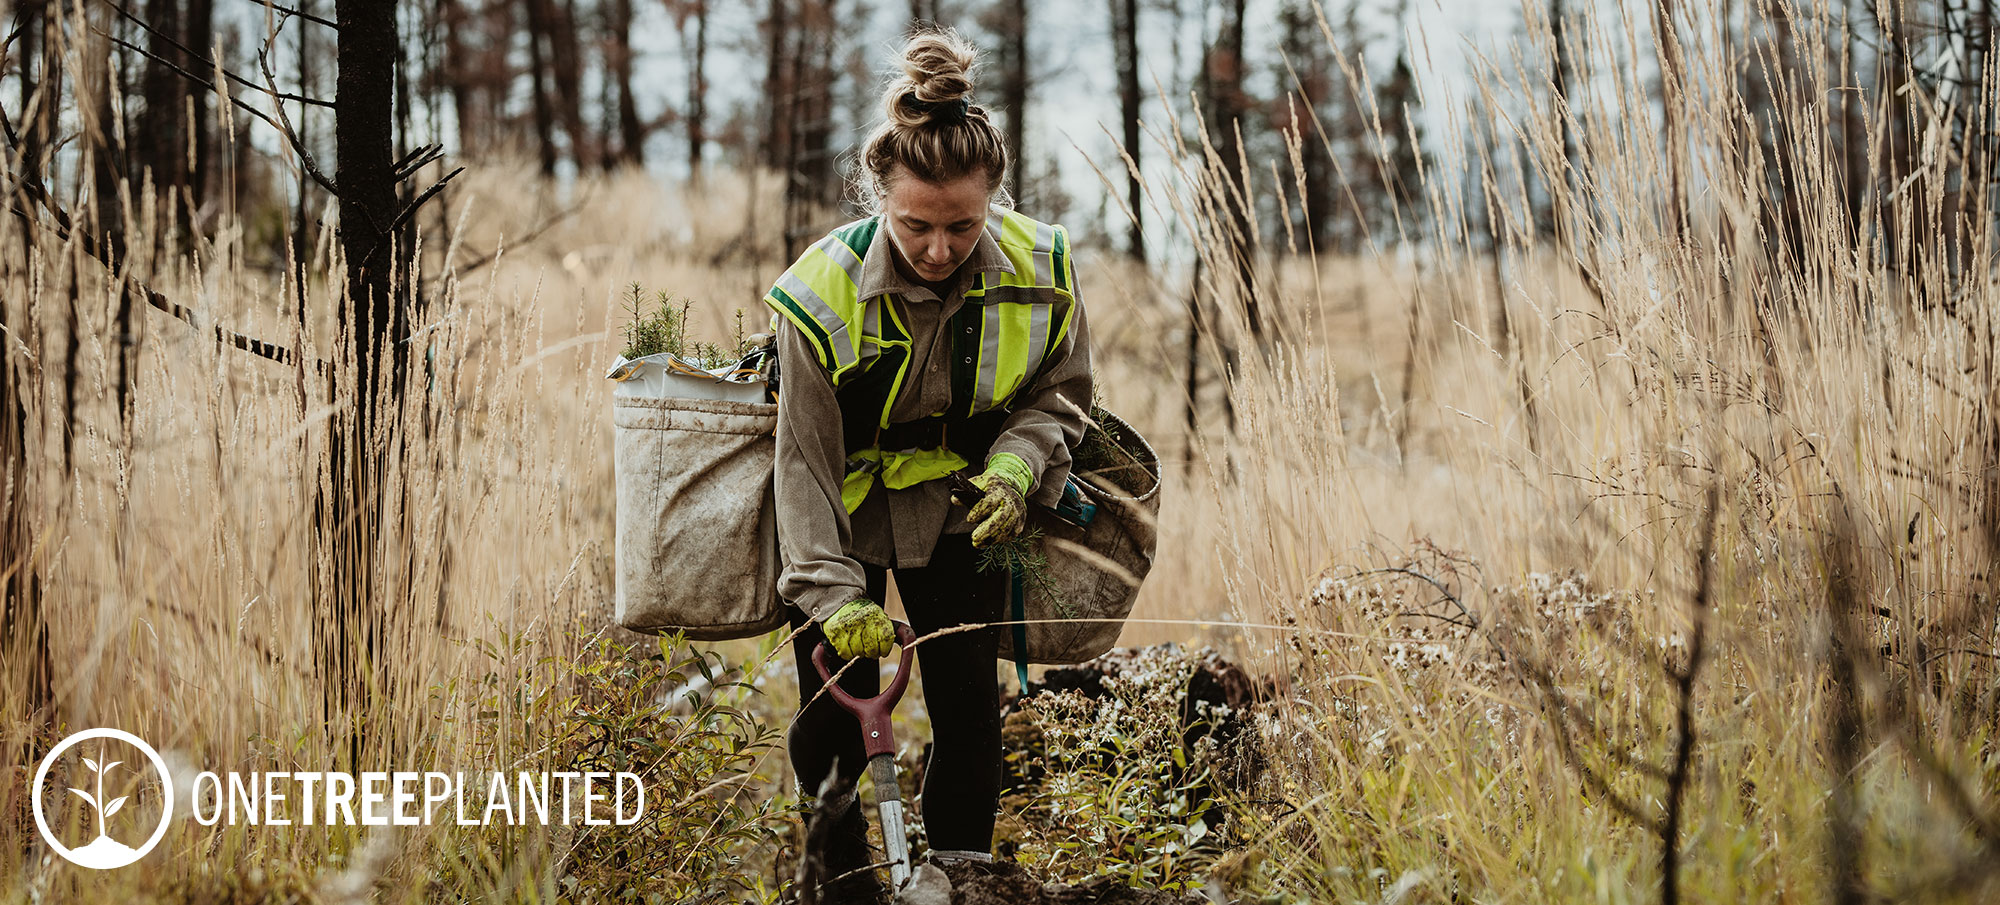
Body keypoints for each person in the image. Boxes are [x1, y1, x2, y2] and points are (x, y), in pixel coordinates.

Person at [759, 25, 1093, 903]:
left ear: (995, 198)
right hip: (841, 522)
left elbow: (1062, 392)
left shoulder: (1043, 268)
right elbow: (802, 464)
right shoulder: (816, 294)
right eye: (915, 225)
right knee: (830, 730)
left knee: (971, 726)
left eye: (962, 225)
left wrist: (1022, 465)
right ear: (878, 197)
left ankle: (962, 885)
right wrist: (833, 597)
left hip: (962, 510)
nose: (939, 249)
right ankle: (842, 891)